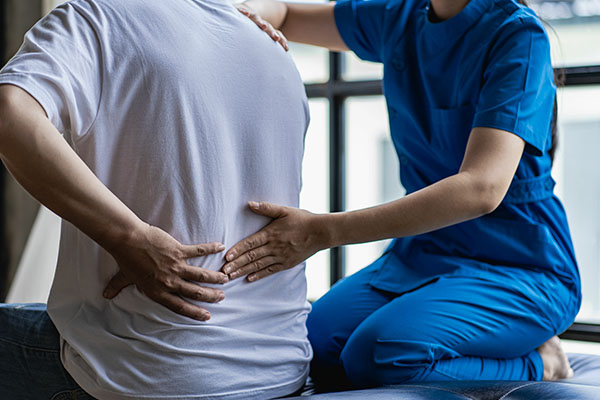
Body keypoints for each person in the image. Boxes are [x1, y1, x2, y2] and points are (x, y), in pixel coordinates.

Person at [224, 0, 581, 389]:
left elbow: (482, 188)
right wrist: (248, 16)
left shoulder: (517, 35)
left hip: (518, 265)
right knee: (314, 348)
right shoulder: (400, 17)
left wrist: (321, 231)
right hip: (423, 254)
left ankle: (542, 363)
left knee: (379, 356)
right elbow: (287, 14)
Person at [0, 0, 312, 398]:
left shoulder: (93, 19)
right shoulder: (272, 48)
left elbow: (11, 117)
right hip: (283, 372)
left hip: (149, 374)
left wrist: (128, 237)